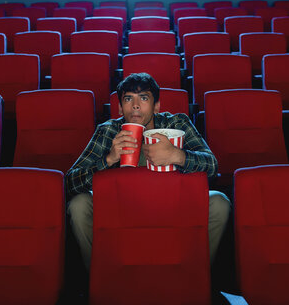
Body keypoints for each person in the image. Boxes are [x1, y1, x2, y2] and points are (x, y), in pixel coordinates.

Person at [66, 73, 230, 268]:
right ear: (119, 108)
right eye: (128, 99)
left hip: (174, 203)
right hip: (123, 207)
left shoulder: (177, 123)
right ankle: (97, 276)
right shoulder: (108, 130)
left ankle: (198, 273)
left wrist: (177, 155)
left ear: (156, 106)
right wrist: (108, 159)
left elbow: (212, 166)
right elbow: (70, 182)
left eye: (143, 98)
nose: (135, 105)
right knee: (78, 205)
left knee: (219, 202)